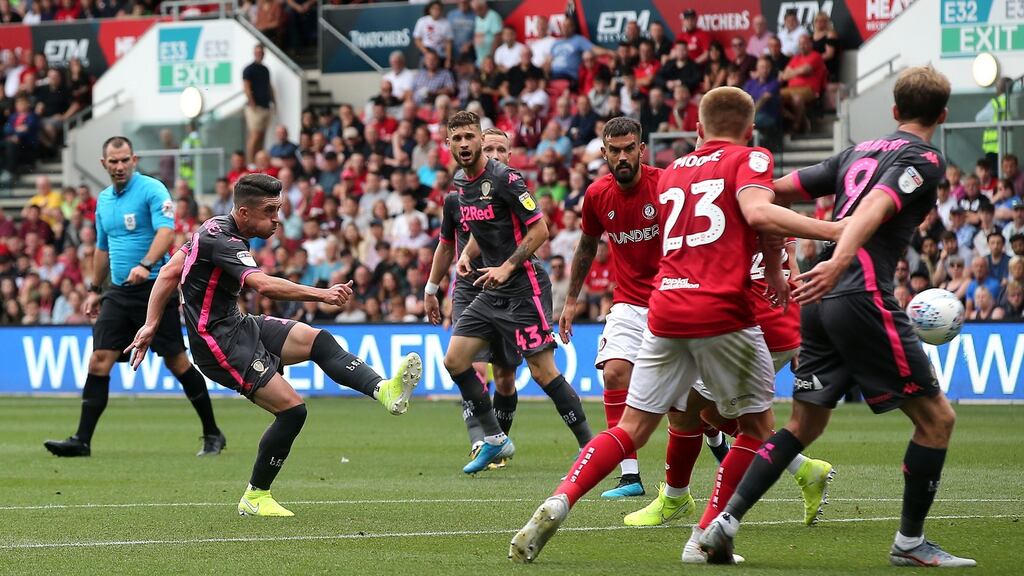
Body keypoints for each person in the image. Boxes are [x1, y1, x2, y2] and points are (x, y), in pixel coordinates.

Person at [509, 87, 843, 564]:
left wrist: (771, 259)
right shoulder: (750, 158)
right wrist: (834, 232)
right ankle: (705, 535)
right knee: (756, 426)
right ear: (748, 131)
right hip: (721, 310)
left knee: (635, 425)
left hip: (665, 306)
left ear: (698, 131)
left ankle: (561, 497)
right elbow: (759, 215)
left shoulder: (674, 175)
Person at [699, 67, 976, 568]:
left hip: (818, 303)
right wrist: (839, 262)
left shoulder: (859, 151)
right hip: (857, 295)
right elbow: (873, 208)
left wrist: (757, 233)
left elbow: (772, 193)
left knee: (804, 423)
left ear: (894, 111)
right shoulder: (924, 157)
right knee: (937, 420)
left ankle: (724, 523)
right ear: (942, 116)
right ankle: (910, 543)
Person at [124, 173, 423, 517]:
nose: (276, 219)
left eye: (279, 209)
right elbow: (263, 286)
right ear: (245, 213)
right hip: (217, 343)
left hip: (237, 325)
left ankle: (384, 390)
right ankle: (256, 495)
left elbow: (168, 273)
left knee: (318, 340)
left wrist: (150, 325)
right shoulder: (224, 241)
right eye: (269, 211)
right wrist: (321, 293)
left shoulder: (213, 228)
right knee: (293, 410)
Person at [43, 136, 225, 458]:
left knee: (176, 361)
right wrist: (94, 289)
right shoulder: (104, 201)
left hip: (156, 288)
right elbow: (102, 248)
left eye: (125, 160)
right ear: (104, 164)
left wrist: (145, 264)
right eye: (113, 161)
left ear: (134, 160)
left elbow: (166, 232)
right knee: (99, 359)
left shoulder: (152, 190)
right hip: (119, 293)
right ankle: (82, 441)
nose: (120, 166)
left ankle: (212, 432)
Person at [444, 110, 593, 474]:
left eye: (469, 137)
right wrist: (465, 255)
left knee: (542, 373)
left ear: (479, 139)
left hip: (523, 286)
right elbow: (484, 228)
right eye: (457, 138)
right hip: (489, 288)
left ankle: (590, 447)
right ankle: (495, 439)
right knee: (456, 361)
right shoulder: (461, 183)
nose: (464, 144)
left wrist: (508, 266)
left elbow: (540, 231)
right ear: (448, 144)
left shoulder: (507, 178)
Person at [424, 128, 521, 466]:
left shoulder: (513, 190)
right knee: (469, 364)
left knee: (506, 378)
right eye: (489, 147)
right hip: (468, 285)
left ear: (509, 155)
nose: (494, 154)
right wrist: (431, 288)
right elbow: (446, 243)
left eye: (501, 149)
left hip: (509, 286)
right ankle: (480, 441)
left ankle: (499, 442)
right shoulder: (458, 196)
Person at [243, 44, 275, 164]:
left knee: (262, 136)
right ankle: (250, 163)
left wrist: (274, 102)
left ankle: (259, 163)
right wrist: (252, 104)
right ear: (254, 53)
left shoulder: (265, 69)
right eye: (257, 52)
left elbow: (269, 86)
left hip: (266, 106)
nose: (259, 54)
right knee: (255, 135)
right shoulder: (249, 69)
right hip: (255, 108)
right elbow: (246, 87)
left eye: (261, 52)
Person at [975, 77, 1011, 171]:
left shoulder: (995, 103)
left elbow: (979, 119)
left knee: (995, 176)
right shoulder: (1017, 102)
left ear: (999, 89)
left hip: (994, 149)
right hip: (1013, 147)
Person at [413, 1, 453, 68]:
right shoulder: (422, 21)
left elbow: (448, 43)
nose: (436, 11)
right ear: (430, 9)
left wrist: (448, 59)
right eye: (434, 8)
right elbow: (417, 40)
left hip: (440, 54)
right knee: (424, 75)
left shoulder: (446, 23)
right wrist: (426, 53)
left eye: (438, 9)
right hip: (426, 53)